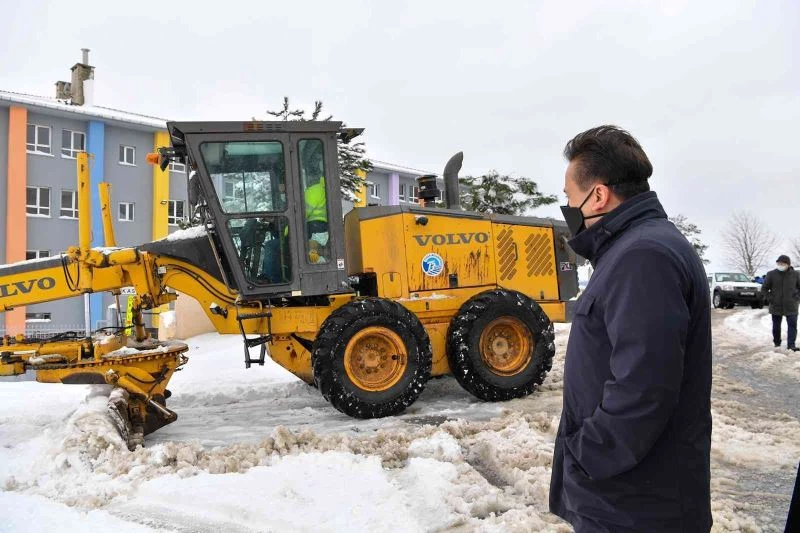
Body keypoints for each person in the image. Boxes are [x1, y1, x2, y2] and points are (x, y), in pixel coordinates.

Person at [549, 126, 712, 532]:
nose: (568, 208)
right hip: (633, 495)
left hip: (633, 504)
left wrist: (588, 456)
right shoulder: (634, 249)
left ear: (598, 195)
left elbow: (644, 386)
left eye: (570, 198)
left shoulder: (643, 257)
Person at [761, 255, 800, 351]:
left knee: (792, 326)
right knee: (776, 326)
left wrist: (797, 297)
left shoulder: (796, 274)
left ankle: (791, 345)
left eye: (782, 264)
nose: (780, 265)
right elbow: (764, 288)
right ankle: (777, 343)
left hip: (791, 305)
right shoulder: (771, 274)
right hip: (776, 305)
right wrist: (771, 298)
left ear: (788, 264)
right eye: (778, 263)